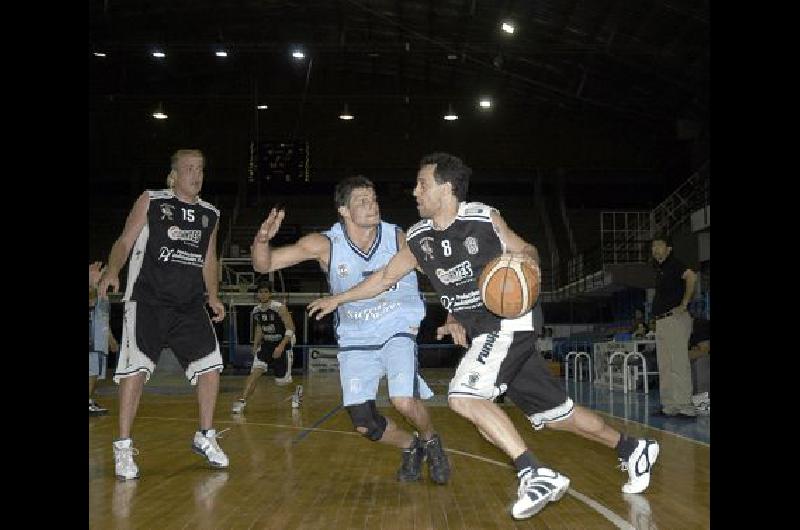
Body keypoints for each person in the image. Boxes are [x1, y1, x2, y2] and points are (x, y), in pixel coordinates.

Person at [308, 153, 659, 521]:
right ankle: (633, 448)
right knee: (556, 416)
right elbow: (381, 279)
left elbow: (526, 250)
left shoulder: (482, 219)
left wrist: (526, 267)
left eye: (422, 184)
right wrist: (339, 298)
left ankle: (533, 472)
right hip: (485, 333)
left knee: (463, 395)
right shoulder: (418, 239)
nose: (415, 192)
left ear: (447, 188)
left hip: (508, 322)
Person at [251, 175, 450, 485]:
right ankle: (411, 446)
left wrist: (453, 308)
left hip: (398, 325)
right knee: (364, 424)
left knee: (403, 400)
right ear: (343, 210)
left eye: (374, 200)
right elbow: (265, 265)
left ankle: (431, 440)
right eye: (363, 202)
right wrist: (262, 241)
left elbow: (439, 272)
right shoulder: (325, 244)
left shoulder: (398, 236)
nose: (372, 206)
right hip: (357, 336)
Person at [96, 149, 229, 480]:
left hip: (189, 306)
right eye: (189, 168)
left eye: (200, 169)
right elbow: (124, 241)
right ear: (174, 174)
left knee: (211, 367)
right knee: (135, 372)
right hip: (148, 301)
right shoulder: (153, 200)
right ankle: (123, 447)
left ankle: (205, 435)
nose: (196, 175)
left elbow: (209, 260)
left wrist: (213, 296)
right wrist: (113, 270)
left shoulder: (210, 214)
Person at [651, 235, 698, 417]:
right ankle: (669, 406)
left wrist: (684, 304)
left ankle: (685, 407)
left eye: (659, 245)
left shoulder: (674, 264)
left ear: (668, 248)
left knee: (678, 364)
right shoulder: (661, 269)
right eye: (653, 246)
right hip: (662, 322)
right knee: (665, 365)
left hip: (675, 320)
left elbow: (691, 276)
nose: (655, 249)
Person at [232, 282, 297, 414]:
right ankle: (242, 401)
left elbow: (291, 328)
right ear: (257, 294)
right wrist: (255, 345)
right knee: (255, 373)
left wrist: (281, 346)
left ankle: (297, 391)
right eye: (260, 292)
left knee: (282, 382)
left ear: (270, 293)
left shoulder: (279, 308)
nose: (263, 294)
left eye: (266, 292)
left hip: (283, 342)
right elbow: (260, 328)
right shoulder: (256, 311)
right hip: (267, 344)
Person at [90, 278, 119, 415]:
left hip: (100, 341)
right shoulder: (93, 292)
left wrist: (111, 339)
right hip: (92, 341)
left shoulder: (104, 296)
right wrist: (92, 283)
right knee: (92, 372)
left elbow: (104, 318)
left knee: (95, 374)